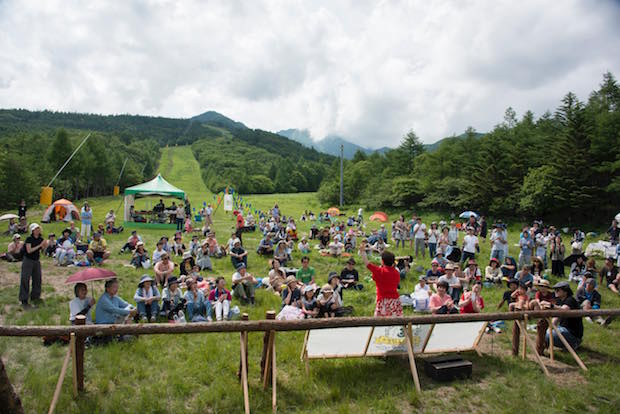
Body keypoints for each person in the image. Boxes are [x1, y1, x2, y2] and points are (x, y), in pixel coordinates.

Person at [359, 242, 402, 317]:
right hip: (395, 300)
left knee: (380, 321)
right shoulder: (396, 272)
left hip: (383, 300)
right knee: (395, 321)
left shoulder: (380, 271)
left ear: (382, 261)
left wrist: (362, 252)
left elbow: (367, 264)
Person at [544, 281, 583, 350]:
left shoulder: (570, 300)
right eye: (555, 290)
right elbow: (556, 318)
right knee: (545, 332)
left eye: (558, 290)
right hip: (564, 330)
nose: (555, 291)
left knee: (549, 335)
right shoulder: (560, 301)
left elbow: (563, 310)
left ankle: (573, 345)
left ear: (565, 291)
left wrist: (552, 306)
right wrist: (549, 328)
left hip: (573, 334)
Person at [19, 223, 47, 308]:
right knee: (25, 279)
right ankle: (24, 298)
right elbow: (29, 250)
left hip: (36, 260)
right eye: (36, 229)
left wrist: (44, 246)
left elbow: (43, 252)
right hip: (28, 260)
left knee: (37, 279)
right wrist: (40, 245)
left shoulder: (41, 239)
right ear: (32, 230)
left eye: (38, 229)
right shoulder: (29, 239)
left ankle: (35, 296)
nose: (38, 230)